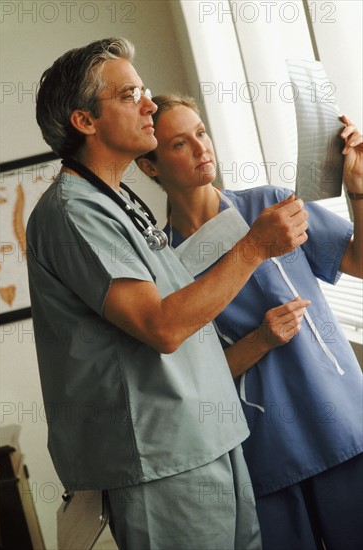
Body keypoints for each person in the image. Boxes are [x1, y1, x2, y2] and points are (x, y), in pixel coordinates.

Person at [26, 39, 309, 550]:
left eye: (146, 91)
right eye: (130, 93)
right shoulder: (72, 211)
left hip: (207, 442)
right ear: (85, 121)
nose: (150, 104)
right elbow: (163, 327)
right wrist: (254, 249)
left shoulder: (117, 201)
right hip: (161, 461)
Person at [136, 94, 363, 550]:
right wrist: (260, 339)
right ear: (150, 166)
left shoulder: (271, 205)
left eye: (201, 133)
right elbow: (186, 382)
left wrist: (357, 188)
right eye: (180, 144)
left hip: (342, 422)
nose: (202, 149)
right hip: (265, 450)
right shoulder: (162, 267)